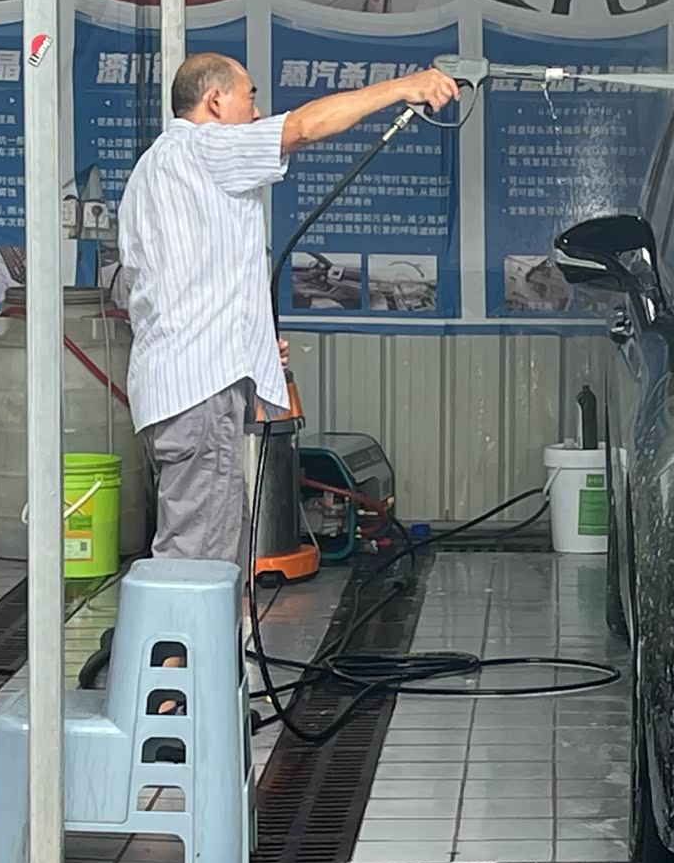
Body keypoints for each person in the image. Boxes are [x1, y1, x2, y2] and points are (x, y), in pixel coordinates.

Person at [117, 51, 460, 565]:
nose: (257, 113)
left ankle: (194, 622)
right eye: (250, 97)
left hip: (173, 389)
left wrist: (248, 342)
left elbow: (162, 288)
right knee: (197, 560)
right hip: (200, 394)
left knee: (203, 546)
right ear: (215, 101)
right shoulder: (206, 146)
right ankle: (181, 625)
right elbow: (302, 127)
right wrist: (402, 88)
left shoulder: (152, 169)